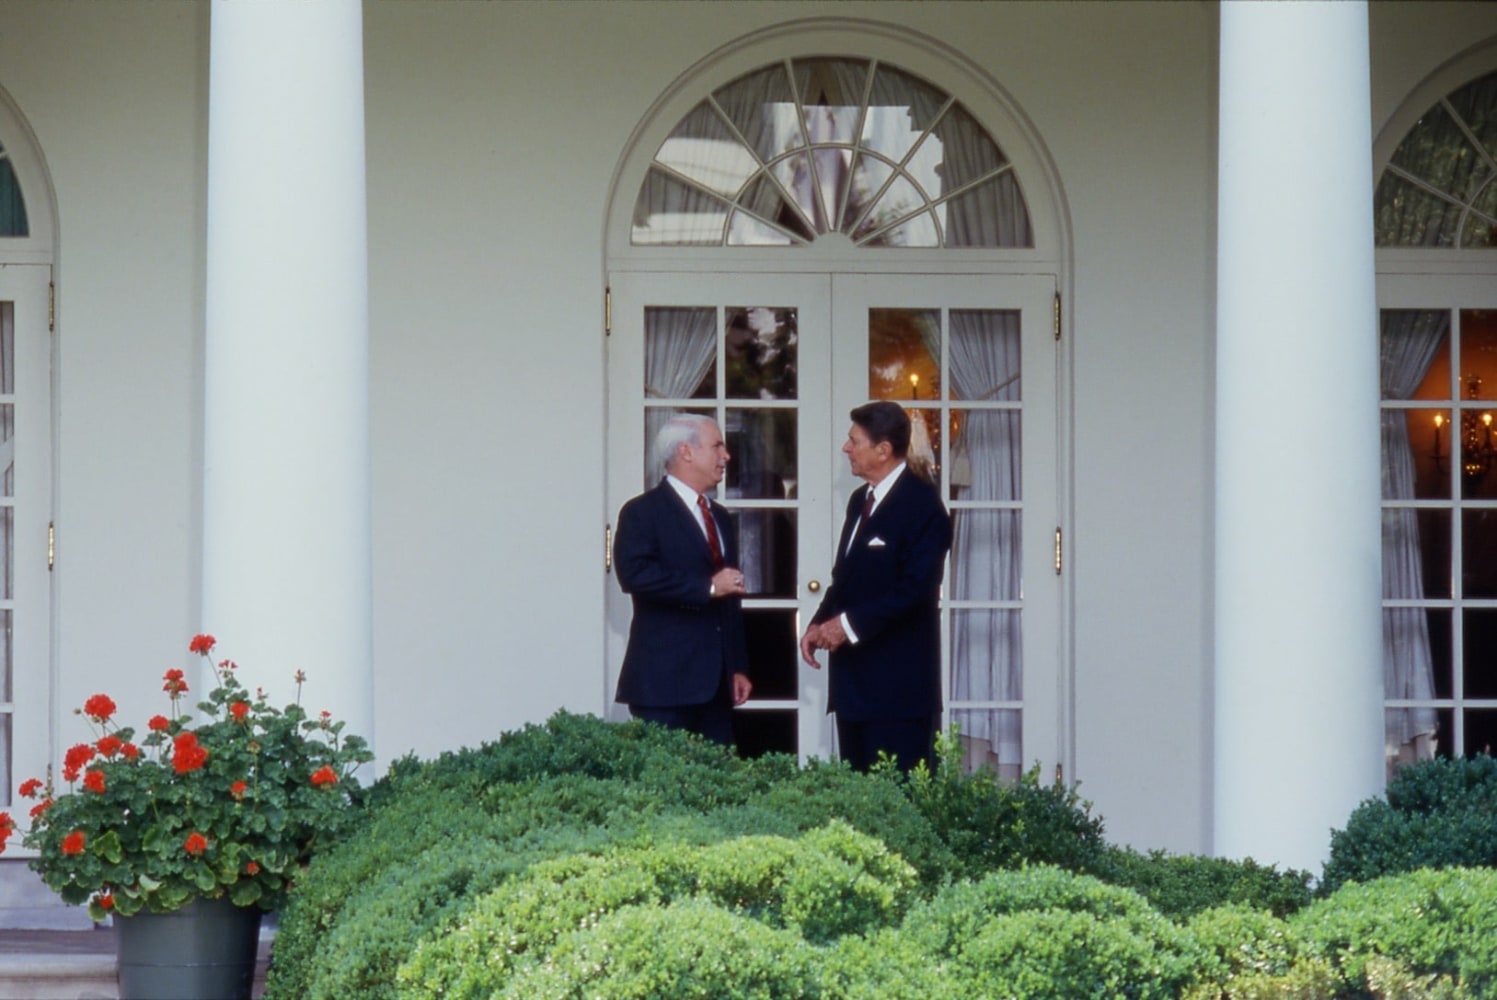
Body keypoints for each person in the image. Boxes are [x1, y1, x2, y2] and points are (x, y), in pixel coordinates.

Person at [800, 401, 952, 772]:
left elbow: (914, 590)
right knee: (857, 797)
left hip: (899, 694)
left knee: (898, 798)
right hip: (853, 688)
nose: (845, 448)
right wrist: (819, 623)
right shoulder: (859, 501)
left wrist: (845, 626)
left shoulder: (923, 507)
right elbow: (845, 577)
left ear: (883, 450)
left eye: (854, 441)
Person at [614, 412, 752, 745]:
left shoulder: (719, 517)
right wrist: (708, 587)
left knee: (716, 773)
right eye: (717, 446)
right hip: (664, 682)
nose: (726, 456)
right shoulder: (642, 512)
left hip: (716, 686)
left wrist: (737, 665)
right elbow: (635, 574)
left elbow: (729, 594)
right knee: (664, 774)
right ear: (685, 452)